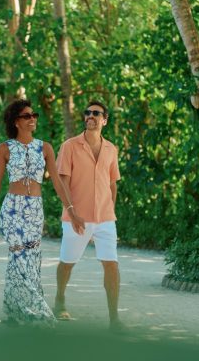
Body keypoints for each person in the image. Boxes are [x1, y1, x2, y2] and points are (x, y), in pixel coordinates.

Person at [0, 99, 80, 326]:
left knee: (31, 260)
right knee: (19, 257)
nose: (32, 118)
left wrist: (71, 211)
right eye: (27, 116)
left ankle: (14, 312)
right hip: (13, 209)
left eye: (34, 115)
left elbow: (57, 182)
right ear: (16, 121)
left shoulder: (45, 148)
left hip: (35, 209)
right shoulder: (4, 148)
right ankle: (39, 313)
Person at [54, 101, 123, 331]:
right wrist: (71, 213)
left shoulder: (111, 150)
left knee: (111, 265)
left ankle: (114, 319)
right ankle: (60, 298)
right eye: (87, 113)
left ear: (105, 120)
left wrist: (109, 211)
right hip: (76, 217)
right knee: (67, 263)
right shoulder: (70, 146)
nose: (90, 116)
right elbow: (62, 181)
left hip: (105, 219)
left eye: (96, 113)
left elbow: (112, 183)